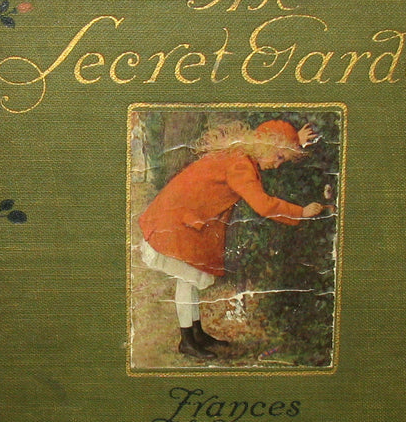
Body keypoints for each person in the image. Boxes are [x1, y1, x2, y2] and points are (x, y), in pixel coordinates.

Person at [137, 118, 324, 360]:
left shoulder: (238, 154)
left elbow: (277, 137)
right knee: (186, 280)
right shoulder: (241, 166)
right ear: (265, 145)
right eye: (279, 157)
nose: (277, 165)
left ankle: (196, 333)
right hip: (176, 223)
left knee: (189, 280)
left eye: (282, 160)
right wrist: (301, 212)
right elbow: (264, 205)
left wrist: (293, 139)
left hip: (184, 218)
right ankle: (188, 340)